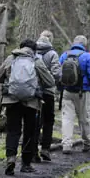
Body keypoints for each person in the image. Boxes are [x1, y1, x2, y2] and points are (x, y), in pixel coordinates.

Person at [0, 39, 55, 175]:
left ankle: (10, 158)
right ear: (34, 50)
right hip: (32, 102)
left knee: (13, 130)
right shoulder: (36, 61)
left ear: (20, 47)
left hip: (11, 100)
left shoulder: (11, 58)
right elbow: (50, 81)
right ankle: (26, 164)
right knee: (30, 132)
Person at [58, 35, 90, 153]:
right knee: (84, 118)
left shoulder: (64, 55)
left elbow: (59, 73)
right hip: (83, 92)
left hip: (66, 92)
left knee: (67, 118)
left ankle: (66, 144)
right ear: (84, 45)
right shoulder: (87, 56)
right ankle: (88, 142)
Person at [32, 32, 61, 162]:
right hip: (48, 93)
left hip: (34, 93)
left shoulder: (32, 53)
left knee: (35, 122)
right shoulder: (53, 54)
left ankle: (32, 151)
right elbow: (57, 74)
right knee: (48, 121)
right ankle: (45, 149)